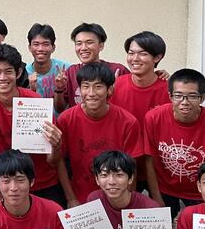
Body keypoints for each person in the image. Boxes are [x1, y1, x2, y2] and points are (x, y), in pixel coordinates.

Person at [0, 44, 71, 207]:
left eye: (8, 71)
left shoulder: (35, 101)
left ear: (19, 72)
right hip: (8, 185)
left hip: (42, 182)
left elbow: (52, 160)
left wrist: (56, 145)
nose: (2, 78)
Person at [144, 69, 205, 217]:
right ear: (170, 96)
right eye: (178, 96)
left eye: (192, 96)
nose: (184, 102)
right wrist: (156, 197)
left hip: (200, 191)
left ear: (202, 98)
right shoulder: (153, 118)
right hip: (163, 186)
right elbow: (148, 160)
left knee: (199, 228)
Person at [56, 63, 142, 204]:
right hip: (81, 198)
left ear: (110, 89)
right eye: (85, 86)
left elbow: (132, 167)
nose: (91, 93)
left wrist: (126, 203)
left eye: (98, 86)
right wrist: (71, 198)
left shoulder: (128, 122)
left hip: (116, 199)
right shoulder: (66, 119)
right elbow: (59, 161)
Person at [57, 23, 129, 112]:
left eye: (89, 42)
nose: (83, 48)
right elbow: (60, 109)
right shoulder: (71, 72)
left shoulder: (118, 70)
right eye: (79, 43)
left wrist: (115, 91)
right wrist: (59, 89)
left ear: (101, 46)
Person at [109, 31, 170, 127]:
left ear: (157, 57)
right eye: (131, 53)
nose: (135, 58)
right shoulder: (116, 85)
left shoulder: (169, 89)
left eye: (143, 54)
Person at [25, 23, 70, 103]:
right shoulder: (24, 73)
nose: (40, 49)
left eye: (45, 44)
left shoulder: (66, 69)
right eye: (36, 44)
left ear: (53, 48)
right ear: (29, 48)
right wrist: (32, 90)